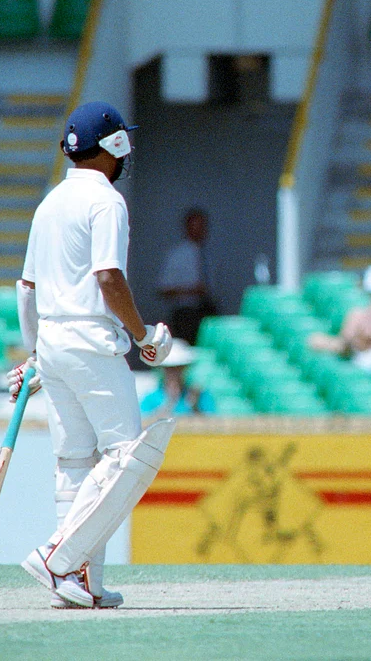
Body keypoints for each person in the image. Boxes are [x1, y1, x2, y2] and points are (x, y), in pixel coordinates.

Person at [12, 100, 175, 610]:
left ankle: (81, 584)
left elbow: (26, 289)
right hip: (90, 340)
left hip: (52, 340)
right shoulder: (106, 201)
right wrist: (143, 335)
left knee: (76, 462)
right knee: (128, 457)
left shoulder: (49, 203)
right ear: (114, 145)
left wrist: (35, 355)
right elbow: (108, 276)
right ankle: (57, 557)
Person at [158, 207, 217, 345]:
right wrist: (191, 291)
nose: (200, 230)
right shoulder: (177, 255)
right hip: (185, 314)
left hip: (206, 311)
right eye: (196, 226)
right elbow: (164, 289)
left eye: (203, 226)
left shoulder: (208, 254)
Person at [139, 338, 215, 417]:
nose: (174, 373)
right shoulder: (150, 399)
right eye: (169, 369)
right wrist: (170, 402)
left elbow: (213, 421)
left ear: (185, 368)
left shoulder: (201, 396)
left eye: (178, 368)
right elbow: (146, 421)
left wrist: (195, 406)